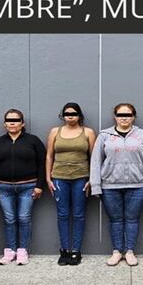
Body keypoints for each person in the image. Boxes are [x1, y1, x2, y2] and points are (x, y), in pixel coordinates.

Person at [90, 103, 143, 266]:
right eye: (120, 115)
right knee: (115, 220)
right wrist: (96, 185)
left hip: (138, 185)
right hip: (110, 186)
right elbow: (96, 161)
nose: (124, 118)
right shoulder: (104, 135)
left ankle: (129, 251)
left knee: (132, 219)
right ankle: (116, 251)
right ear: (115, 117)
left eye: (128, 115)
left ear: (133, 117)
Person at [0, 109, 46, 265]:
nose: (12, 122)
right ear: (4, 124)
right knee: (9, 219)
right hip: (3, 187)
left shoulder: (33, 141)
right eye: (9, 120)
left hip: (28, 186)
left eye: (16, 120)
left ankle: (22, 251)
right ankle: (9, 251)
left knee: (23, 218)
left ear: (23, 123)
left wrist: (40, 185)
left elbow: (42, 164)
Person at [46, 102, 96, 265]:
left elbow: (94, 158)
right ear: (63, 115)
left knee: (79, 215)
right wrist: (48, 178)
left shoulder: (87, 132)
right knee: (62, 214)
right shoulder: (55, 131)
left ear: (79, 115)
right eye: (67, 113)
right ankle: (64, 250)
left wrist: (92, 179)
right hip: (59, 177)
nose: (70, 116)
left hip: (81, 177)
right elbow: (49, 156)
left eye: (73, 113)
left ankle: (76, 251)